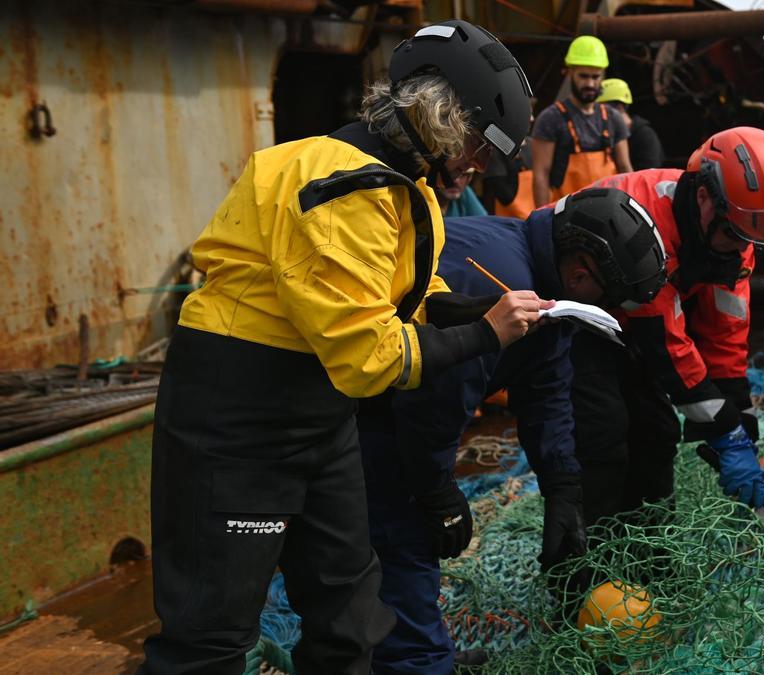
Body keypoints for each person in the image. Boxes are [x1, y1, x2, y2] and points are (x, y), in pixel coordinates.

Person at [139, 20, 539, 674]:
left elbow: (414, 289)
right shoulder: (343, 183)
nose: (482, 164)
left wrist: (495, 308)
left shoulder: (406, 183)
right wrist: (487, 332)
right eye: (477, 142)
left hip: (318, 416)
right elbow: (371, 359)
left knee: (350, 611)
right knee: (210, 635)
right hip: (239, 416)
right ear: (436, 116)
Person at [356, 187, 666, 673]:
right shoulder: (501, 282)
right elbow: (431, 400)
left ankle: (413, 645)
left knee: (397, 541)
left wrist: (562, 486)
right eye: (611, 298)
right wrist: (435, 490)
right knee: (404, 535)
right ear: (583, 274)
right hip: (356, 405)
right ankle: (417, 660)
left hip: (393, 401)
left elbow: (548, 384)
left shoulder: (544, 283)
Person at [575, 127, 764, 527]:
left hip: (625, 324)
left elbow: (725, 337)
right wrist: (725, 433)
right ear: (704, 198)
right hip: (569, 315)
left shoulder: (735, 235)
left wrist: (741, 422)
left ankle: (650, 562)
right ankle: (589, 569)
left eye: (753, 237)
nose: (742, 247)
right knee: (605, 432)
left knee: (658, 432)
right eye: (736, 234)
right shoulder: (648, 223)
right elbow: (666, 346)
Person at [530, 36, 633, 209]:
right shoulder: (551, 119)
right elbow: (541, 174)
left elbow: (625, 169)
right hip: (566, 215)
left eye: (595, 77)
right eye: (583, 76)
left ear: (603, 76)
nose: (590, 83)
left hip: (609, 213)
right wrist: (542, 219)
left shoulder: (613, 119)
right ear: (569, 73)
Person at [596, 78, 664, 171]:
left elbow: (648, 176)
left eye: (601, 109)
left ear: (619, 107)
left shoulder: (644, 136)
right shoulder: (604, 135)